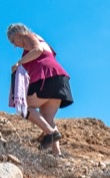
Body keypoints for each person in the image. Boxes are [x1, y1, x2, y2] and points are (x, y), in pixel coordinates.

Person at [7, 23, 73, 155]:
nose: (15, 45)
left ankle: (51, 133)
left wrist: (19, 63)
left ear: (18, 35)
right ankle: (57, 153)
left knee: (23, 107)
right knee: (47, 118)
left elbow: (38, 51)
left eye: (13, 41)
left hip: (48, 78)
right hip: (59, 78)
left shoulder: (30, 37)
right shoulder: (40, 42)